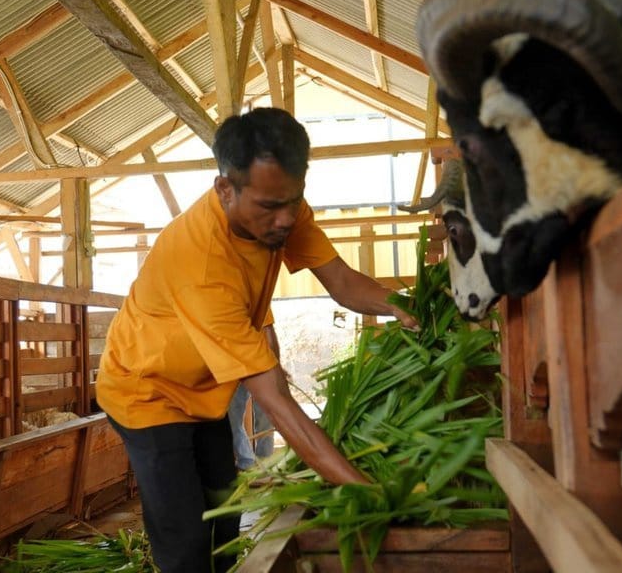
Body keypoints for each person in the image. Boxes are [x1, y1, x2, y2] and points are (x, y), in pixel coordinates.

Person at [95, 107, 418, 573]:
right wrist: (363, 491)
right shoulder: (202, 263)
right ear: (225, 188)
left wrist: (405, 306)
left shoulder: (282, 207)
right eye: (269, 206)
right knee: (185, 540)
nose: (286, 219)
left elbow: (344, 283)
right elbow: (276, 400)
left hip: (204, 388)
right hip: (147, 392)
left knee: (224, 518)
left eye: (294, 200)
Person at [227, 326, 277, 471]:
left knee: (266, 419)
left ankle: (265, 463)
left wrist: (276, 366)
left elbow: (269, 332)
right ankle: (247, 463)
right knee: (233, 420)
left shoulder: (262, 309)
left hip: (261, 367)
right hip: (234, 369)